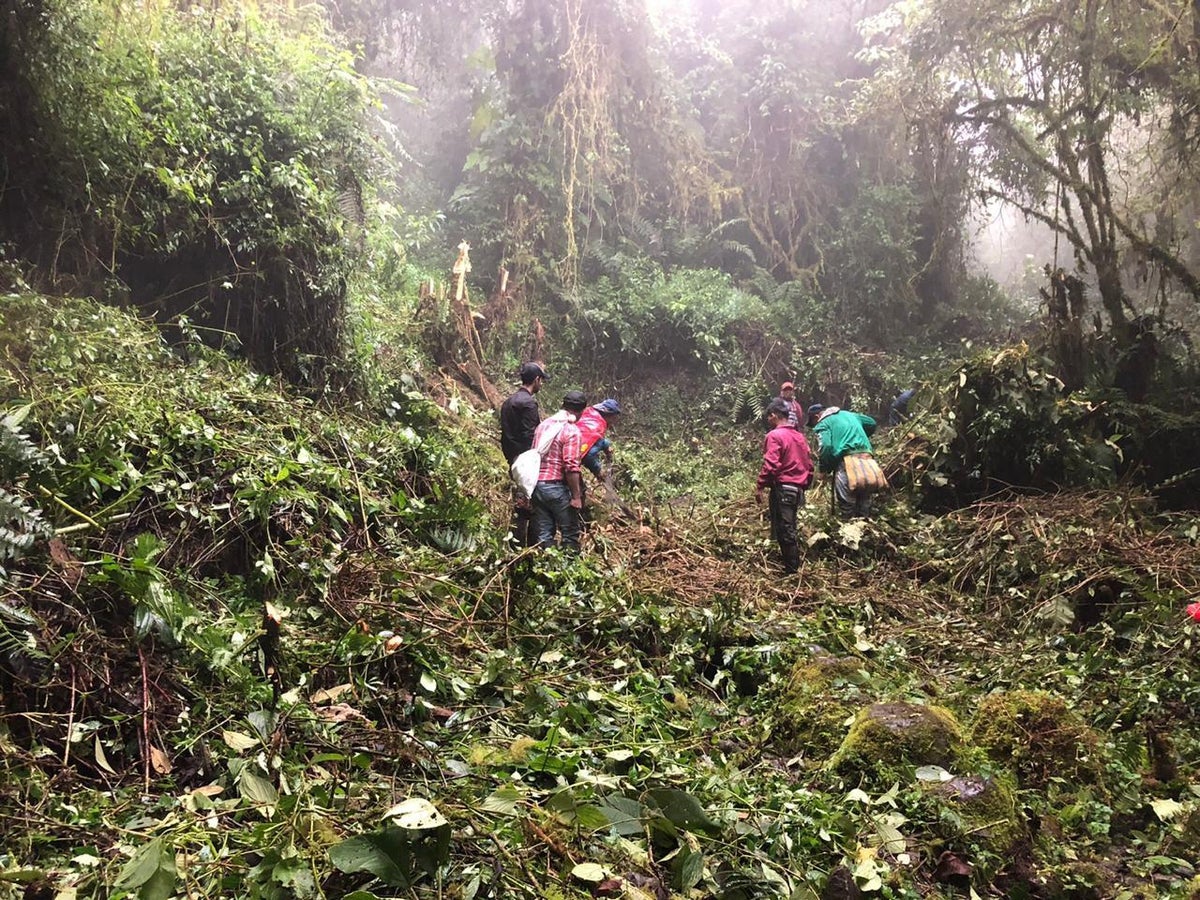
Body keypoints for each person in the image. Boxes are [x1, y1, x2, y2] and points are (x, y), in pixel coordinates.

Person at [755, 398, 814, 573]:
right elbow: (809, 466)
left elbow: (771, 464)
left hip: (783, 489)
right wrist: (804, 484)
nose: (768, 420)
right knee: (790, 526)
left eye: (768, 416)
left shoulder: (774, 435)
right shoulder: (799, 437)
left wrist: (760, 486)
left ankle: (792, 572)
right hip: (797, 490)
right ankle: (791, 567)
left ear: (774, 415)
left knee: (785, 530)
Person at [531, 390, 588, 553]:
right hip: (556, 487)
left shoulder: (543, 425)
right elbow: (571, 465)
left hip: (537, 486)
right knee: (570, 534)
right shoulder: (571, 431)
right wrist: (576, 497)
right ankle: (569, 570)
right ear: (581, 411)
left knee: (544, 535)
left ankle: (545, 569)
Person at [499, 362, 548, 545]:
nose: (541, 385)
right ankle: (528, 547)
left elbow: (505, 433)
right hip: (527, 460)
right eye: (541, 380)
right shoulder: (528, 404)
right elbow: (531, 435)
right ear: (536, 379)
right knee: (531, 504)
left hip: (512, 459)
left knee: (520, 503)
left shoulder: (508, 402)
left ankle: (515, 544)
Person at [807, 403, 883, 519]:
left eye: (813, 424)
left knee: (847, 503)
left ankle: (848, 529)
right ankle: (865, 530)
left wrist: (824, 469)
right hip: (867, 460)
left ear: (816, 417)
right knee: (864, 500)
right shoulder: (850, 415)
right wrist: (858, 436)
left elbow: (826, 446)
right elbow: (871, 423)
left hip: (847, 461)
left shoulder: (823, 423)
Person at [575, 398, 622, 479]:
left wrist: (606, 446)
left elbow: (599, 441)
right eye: (613, 418)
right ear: (608, 415)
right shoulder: (597, 426)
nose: (614, 421)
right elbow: (588, 455)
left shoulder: (588, 413)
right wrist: (598, 470)